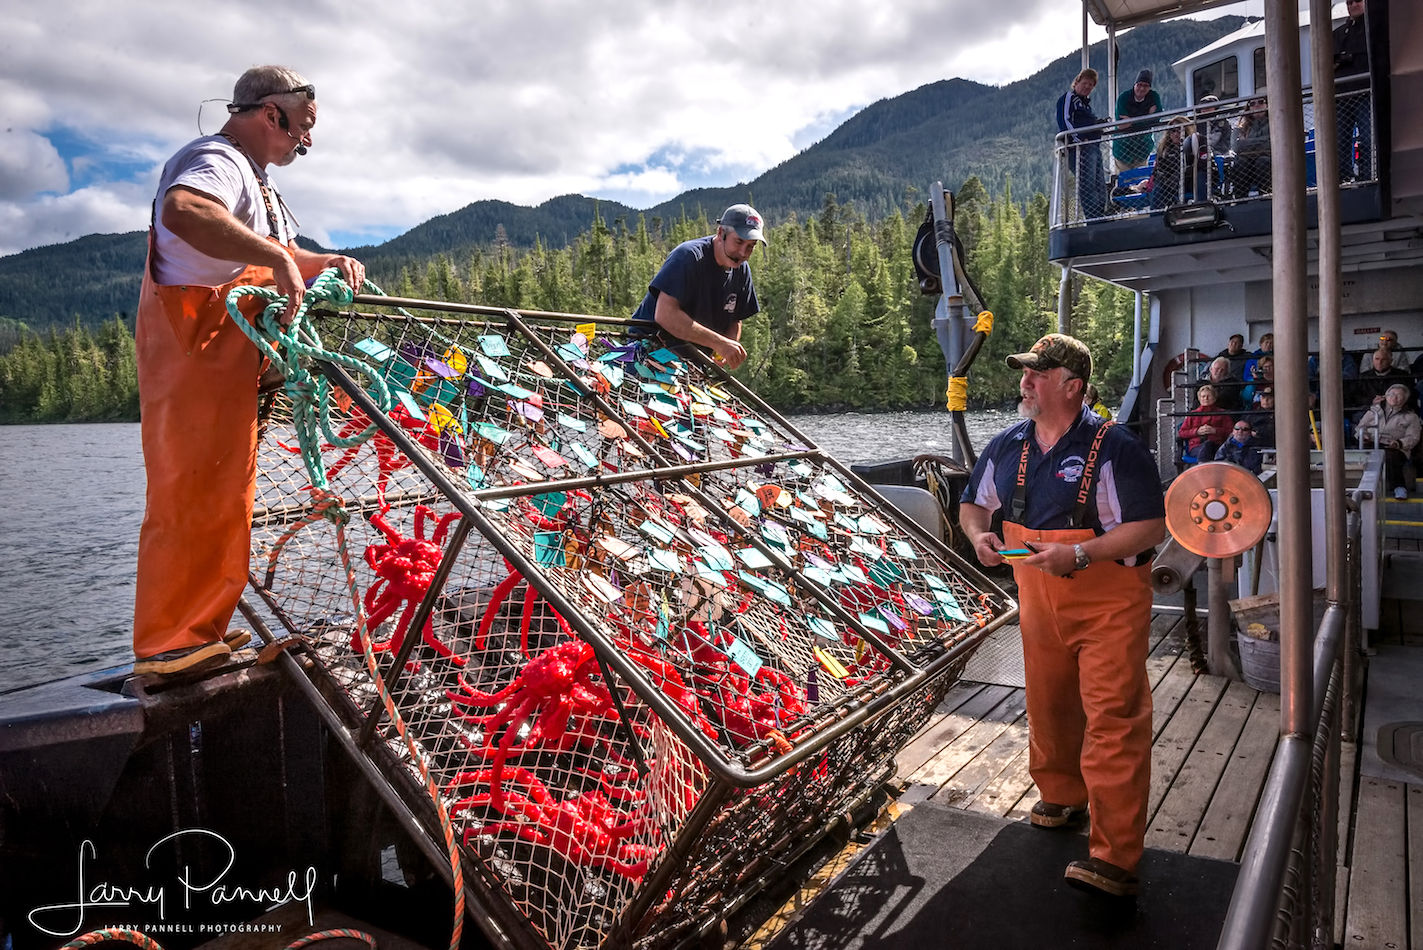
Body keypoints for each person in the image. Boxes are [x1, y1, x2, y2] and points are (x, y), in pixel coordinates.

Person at [132, 66, 365, 676]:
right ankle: (168, 643)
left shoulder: (260, 184)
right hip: (193, 344)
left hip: (233, 355)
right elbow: (184, 211)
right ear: (271, 114)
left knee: (226, 490)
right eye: (301, 128)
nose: (305, 143)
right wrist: (271, 260)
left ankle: (203, 626)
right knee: (189, 487)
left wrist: (326, 261)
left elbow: (283, 255)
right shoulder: (218, 158)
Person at [959, 333, 1165, 898]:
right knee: (1047, 703)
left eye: (1039, 374)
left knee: (1113, 717)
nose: (1026, 382)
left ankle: (1115, 856)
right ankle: (1062, 795)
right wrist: (979, 536)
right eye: (1026, 372)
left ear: (1072, 387)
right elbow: (974, 505)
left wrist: (1079, 553)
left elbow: (1150, 527)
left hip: (1108, 601)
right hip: (1037, 600)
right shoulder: (1006, 445)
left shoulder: (1118, 446)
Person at [629, 204, 765, 370]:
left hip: (691, 361)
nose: (743, 253)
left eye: (751, 246)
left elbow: (735, 319)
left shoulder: (741, 270)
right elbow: (665, 314)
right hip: (649, 350)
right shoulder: (688, 257)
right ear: (721, 233)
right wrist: (718, 342)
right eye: (738, 242)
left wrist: (725, 349)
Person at [1057, 69, 1110, 220]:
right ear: (1077, 82)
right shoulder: (1069, 98)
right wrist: (1079, 140)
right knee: (1088, 185)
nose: (1087, 87)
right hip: (1079, 149)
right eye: (1084, 83)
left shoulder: (1086, 106)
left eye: (1091, 85)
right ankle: (1093, 220)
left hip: (1093, 146)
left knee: (1100, 184)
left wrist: (1097, 126)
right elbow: (1066, 121)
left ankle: (1100, 216)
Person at [1357, 384, 1421, 499]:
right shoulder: (1374, 411)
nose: (1394, 397)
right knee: (1362, 455)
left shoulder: (1411, 416)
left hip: (1395, 446)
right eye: (1391, 394)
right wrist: (1363, 435)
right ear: (1385, 396)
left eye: (1398, 395)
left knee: (1391, 456)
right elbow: (1360, 427)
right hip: (1372, 442)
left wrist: (1399, 443)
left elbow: (1413, 437)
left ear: (1405, 399)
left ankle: (1399, 487)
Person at [1334, 0, 1372, 181]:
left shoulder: (1373, 29)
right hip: (1342, 96)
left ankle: (1368, 176)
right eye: (1349, 2)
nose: (1352, 5)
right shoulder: (1339, 33)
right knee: (1339, 141)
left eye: (1357, 1)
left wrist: (1345, 58)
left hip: (1366, 93)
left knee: (1367, 139)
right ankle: (1343, 179)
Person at [1113, 69, 1163, 172]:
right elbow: (1121, 125)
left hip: (1142, 148)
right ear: (1134, 84)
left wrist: (1131, 121)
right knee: (1124, 183)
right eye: (1139, 85)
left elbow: (1157, 119)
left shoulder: (1153, 97)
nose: (1141, 88)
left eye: (1145, 85)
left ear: (1149, 87)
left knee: (1141, 181)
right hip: (1123, 148)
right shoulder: (1124, 98)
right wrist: (1148, 116)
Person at [1350, 346, 1412, 417]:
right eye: (1377, 359)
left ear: (1390, 361)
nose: (1379, 362)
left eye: (1384, 359)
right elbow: (1356, 397)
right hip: (1369, 409)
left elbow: (1410, 395)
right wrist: (1372, 400)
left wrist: (1392, 401)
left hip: (1397, 410)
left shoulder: (1402, 376)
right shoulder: (1363, 377)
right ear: (1373, 361)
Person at [1178, 383, 1235, 461]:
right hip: (1196, 447)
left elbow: (1231, 431)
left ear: (1214, 398)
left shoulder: (1222, 413)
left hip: (1217, 445)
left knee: (1209, 445)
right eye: (1203, 396)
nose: (1206, 398)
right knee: (1206, 448)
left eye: (1209, 396)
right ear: (1199, 399)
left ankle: (1202, 469)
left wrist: (1215, 430)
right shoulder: (1193, 414)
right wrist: (1197, 431)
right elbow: (1182, 432)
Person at [1150, 117, 1193, 210]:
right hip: (1168, 184)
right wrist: (1167, 180)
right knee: (1158, 188)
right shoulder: (1164, 150)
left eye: (1179, 130)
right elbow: (1158, 170)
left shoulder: (1193, 145)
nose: (1176, 134)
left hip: (1189, 182)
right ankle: (1155, 218)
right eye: (1172, 131)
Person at [1233, 98, 1271, 197]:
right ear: (1249, 108)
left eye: (1261, 102)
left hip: (1269, 161)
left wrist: (1246, 143)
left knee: (1262, 161)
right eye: (1252, 104)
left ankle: (1267, 197)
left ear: (1267, 104)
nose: (1256, 105)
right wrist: (1263, 141)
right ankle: (1240, 201)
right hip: (1246, 162)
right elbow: (1236, 147)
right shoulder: (1240, 127)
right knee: (1241, 164)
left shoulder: (1275, 123)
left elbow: (1273, 143)